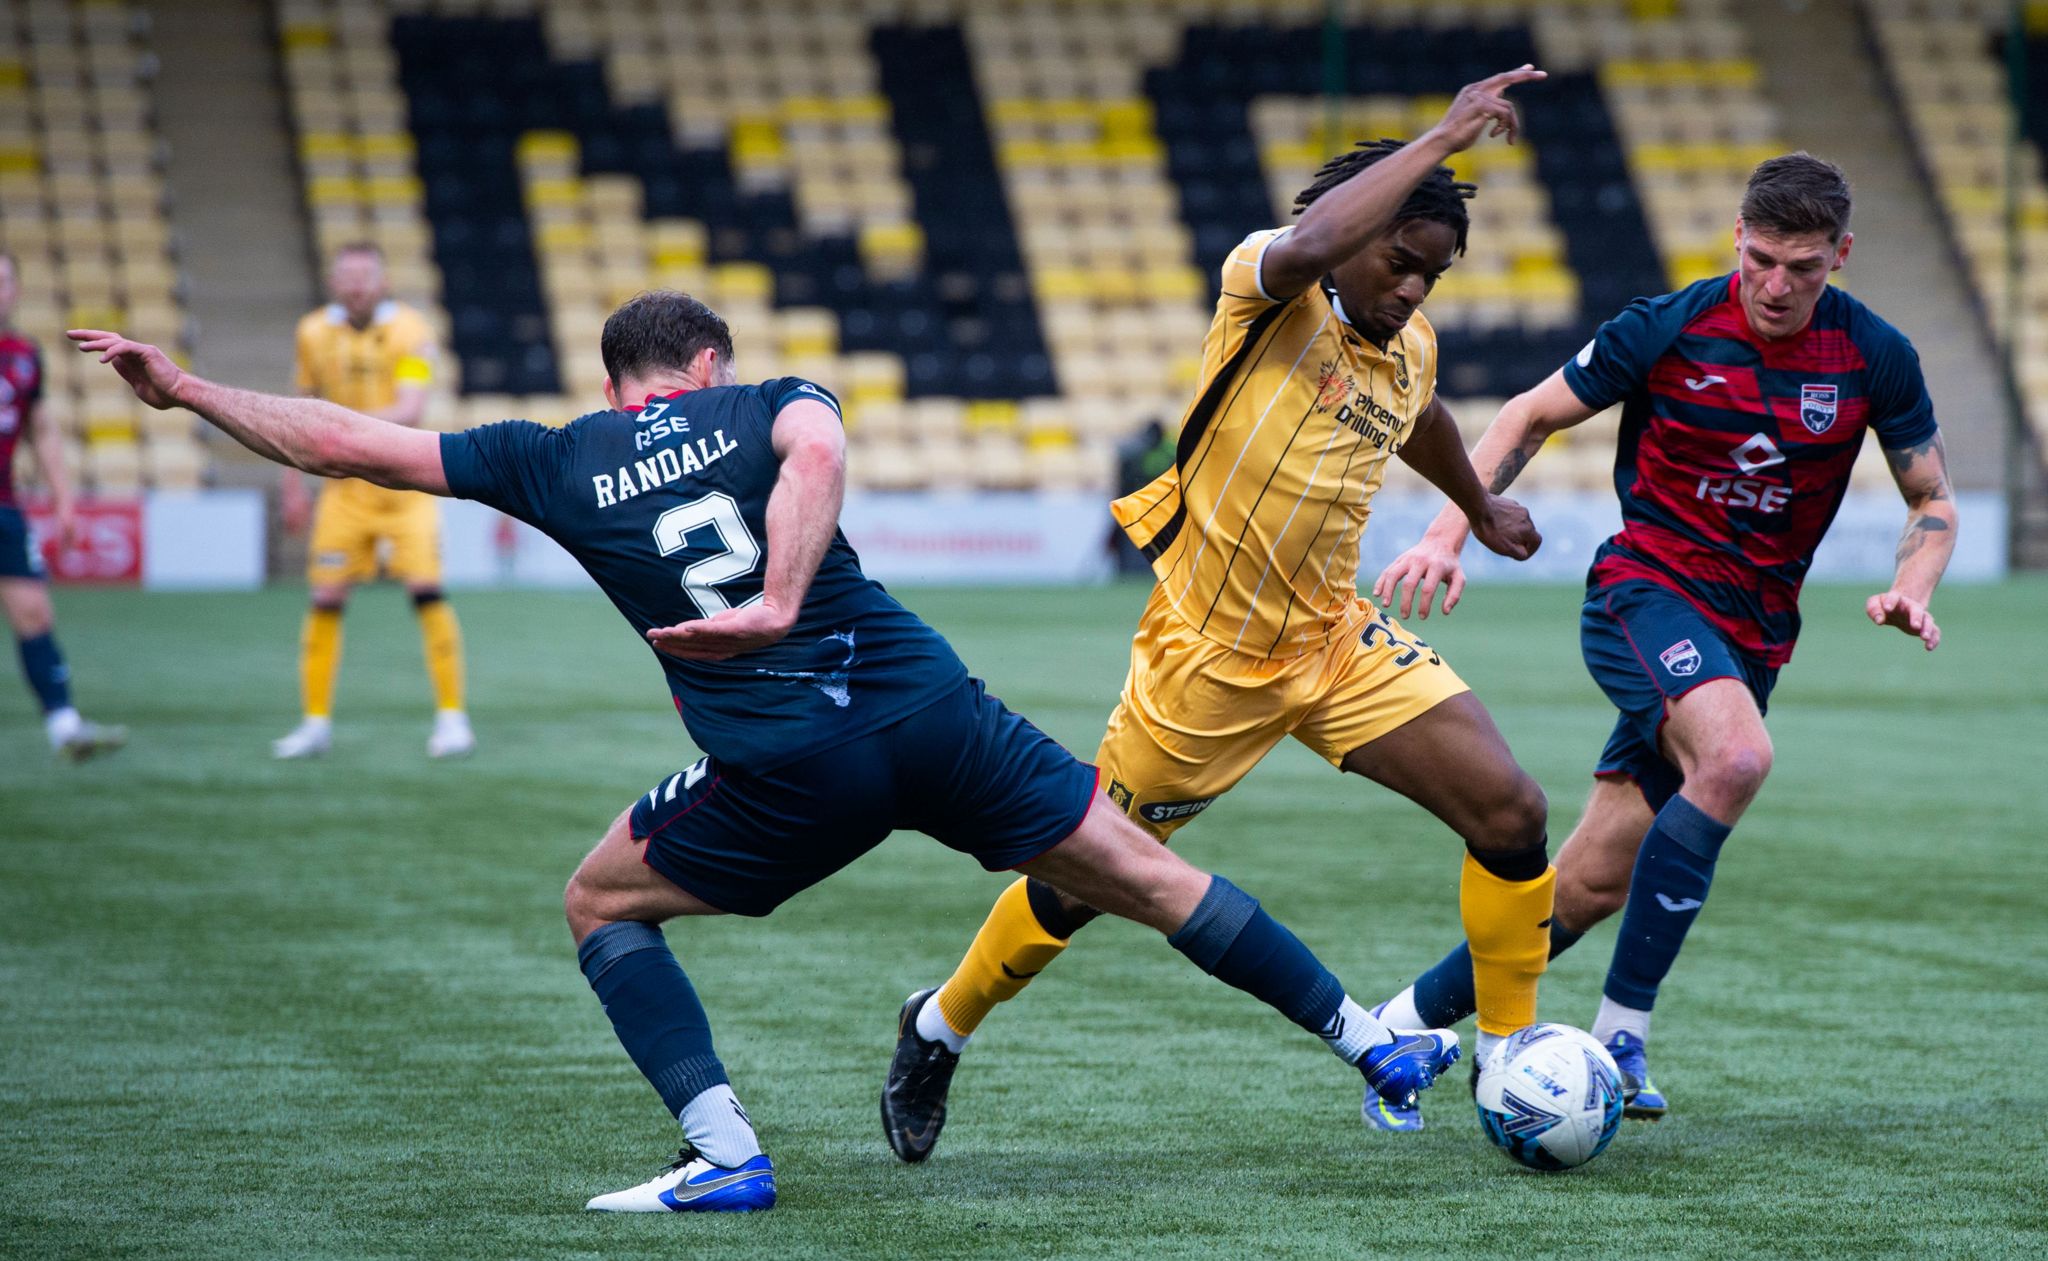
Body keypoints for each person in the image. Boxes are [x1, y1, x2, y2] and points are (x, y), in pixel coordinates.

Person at [70, 290, 1463, 1214]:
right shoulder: (770, 399)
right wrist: (792, 591)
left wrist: (184, 386)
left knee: (598, 900)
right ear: (704, 365)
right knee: (1142, 873)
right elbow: (813, 457)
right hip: (934, 709)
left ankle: (724, 1152)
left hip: (789, 765)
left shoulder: (554, 456)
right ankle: (1372, 1046)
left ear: (620, 381)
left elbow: (344, 444)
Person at [880, 66, 1557, 1159]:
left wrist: (1475, 504)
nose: (1411, 290)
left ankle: (1509, 1052)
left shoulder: (1408, 341)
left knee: (1511, 812)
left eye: (1431, 275)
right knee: (1076, 883)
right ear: (1353, 236)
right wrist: (1439, 137)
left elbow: (1418, 411)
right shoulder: (1267, 286)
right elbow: (1303, 247)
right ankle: (939, 1022)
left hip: (1333, 638)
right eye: (1398, 261)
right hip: (1207, 655)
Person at [1368, 152, 1956, 1122]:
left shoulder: (1872, 355)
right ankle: (1621, 1039)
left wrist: (1910, 583)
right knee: (1732, 757)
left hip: (1748, 640)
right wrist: (1446, 530)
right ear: (1736, 235)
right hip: (1644, 590)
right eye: (1761, 257)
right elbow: (1528, 412)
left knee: (1590, 882)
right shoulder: (1669, 325)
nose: (1774, 285)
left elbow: (1929, 495)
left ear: (1839, 255)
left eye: (1801, 267)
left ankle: (1401, 1020)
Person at [273, 242, 472, 760]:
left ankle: (452, 718)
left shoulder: (412, 331)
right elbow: (298, 409)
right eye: (348, 275)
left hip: (405, 483)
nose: (356, 283)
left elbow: (411, 406)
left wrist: (340, 433)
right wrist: (292, 486)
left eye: (366, 274)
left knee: (427, 592)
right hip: (344, 490)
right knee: (324, 600)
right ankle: (314, 724)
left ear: (382, 281)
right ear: (334, 281)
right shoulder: (312, 332)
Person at [0, 251, 124, 760]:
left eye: (4, 280)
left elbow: (43, 431)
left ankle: (64, 724)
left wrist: (65, 500)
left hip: (4, 507)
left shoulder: (25, 355)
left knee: (33, 612)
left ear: (17, 290)